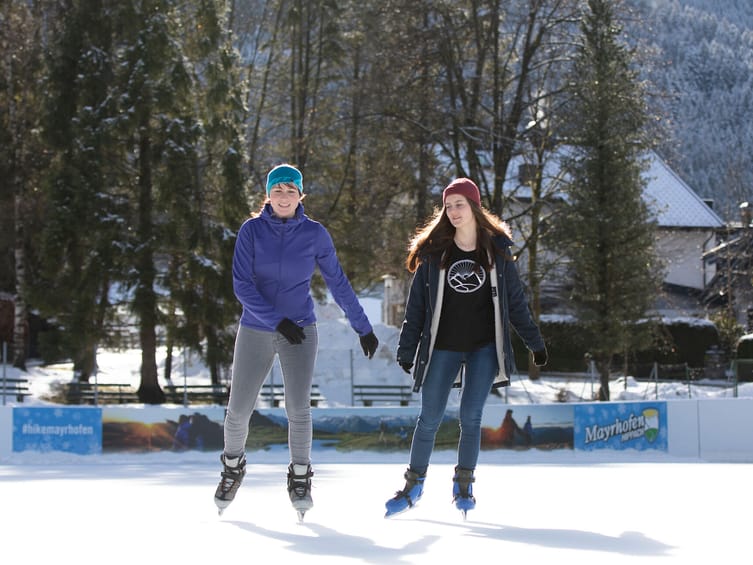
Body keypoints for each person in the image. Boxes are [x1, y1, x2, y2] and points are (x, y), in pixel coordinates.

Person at [214, 163, 379, 518]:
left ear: (300, 195)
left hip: (301, 329)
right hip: (257, 327)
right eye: (277, 190)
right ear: (268, 195)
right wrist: (276, 321)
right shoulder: (251, 231)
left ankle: (300, 476)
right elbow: (241, 285)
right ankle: (232, 468)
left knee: (298, 408)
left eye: (291, 190)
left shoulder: (315, 234)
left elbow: (337, 282)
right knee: (239, 409)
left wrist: (362, 326)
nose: (284, 196)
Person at [384, 177, 547, 517]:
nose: (454, 211)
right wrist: (406, 347)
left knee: (470, 417)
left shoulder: (498, 253)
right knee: (428, 418)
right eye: (448, 206)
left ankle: (464, 486)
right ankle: (413, 484)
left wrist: (534, 342)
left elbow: (515, 304)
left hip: (484, 348)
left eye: (460, 204)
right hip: (443, 347)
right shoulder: (434, 255)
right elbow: (417, 307)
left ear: (474, 206)